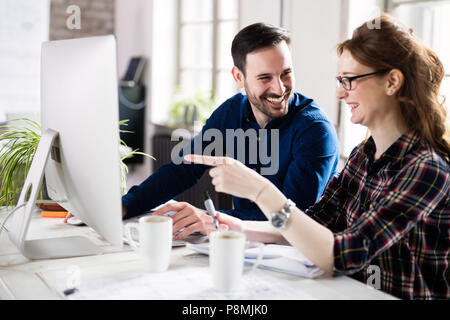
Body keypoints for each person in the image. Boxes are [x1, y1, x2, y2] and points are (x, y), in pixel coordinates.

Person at [186, 14, 450, 300]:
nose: (339, 92)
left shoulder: (427, 169)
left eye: (349, 80)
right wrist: (232, 225)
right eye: (340, 80)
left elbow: (342, 253)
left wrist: (259, 190)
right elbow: (312, 224)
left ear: (392, 82)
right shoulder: (365, 155)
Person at [121, 23, 339, 239]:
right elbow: (181, 170)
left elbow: (290, 220)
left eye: (286, 74)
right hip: (243, 246)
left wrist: (209, 218)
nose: (279, 88)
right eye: (265, 78)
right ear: (238, 77)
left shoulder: (315, 131)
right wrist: (125, 206)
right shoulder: (231, 112)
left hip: (297, 257)